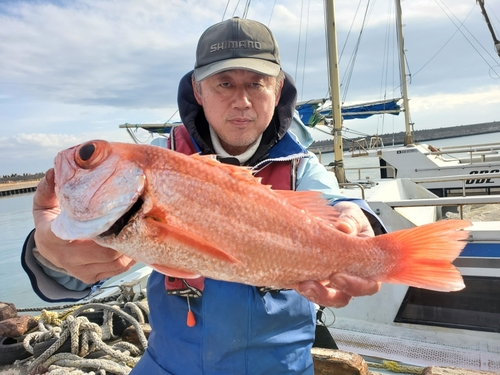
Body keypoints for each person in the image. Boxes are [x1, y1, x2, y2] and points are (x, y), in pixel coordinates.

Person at [22, 17, 384, 374]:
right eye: (224, 83)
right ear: (198, 90)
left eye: (256, 84)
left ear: (277, 90)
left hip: (283, 366)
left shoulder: (302, 168)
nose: (241, 101)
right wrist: (53, 254)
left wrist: (361, 227)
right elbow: (72, 278)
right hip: (171, 365)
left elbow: (338, 205)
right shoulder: (156, 162)